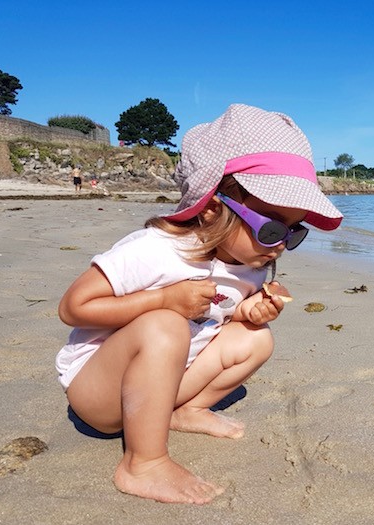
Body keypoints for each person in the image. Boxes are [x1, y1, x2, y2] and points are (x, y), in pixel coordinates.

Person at [56, 104, 343, 504]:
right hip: (101, 394)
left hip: (164, 386)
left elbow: (221, 314)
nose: (280, 243)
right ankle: (144, 462)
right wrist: (163, 300)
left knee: (257, 340)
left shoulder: (250, 265)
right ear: (211, 209)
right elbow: (73, 307)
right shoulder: (156, 250)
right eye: (272, 226)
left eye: (294, 232)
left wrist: (248, 312)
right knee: (165, 324)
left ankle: (181, 412)